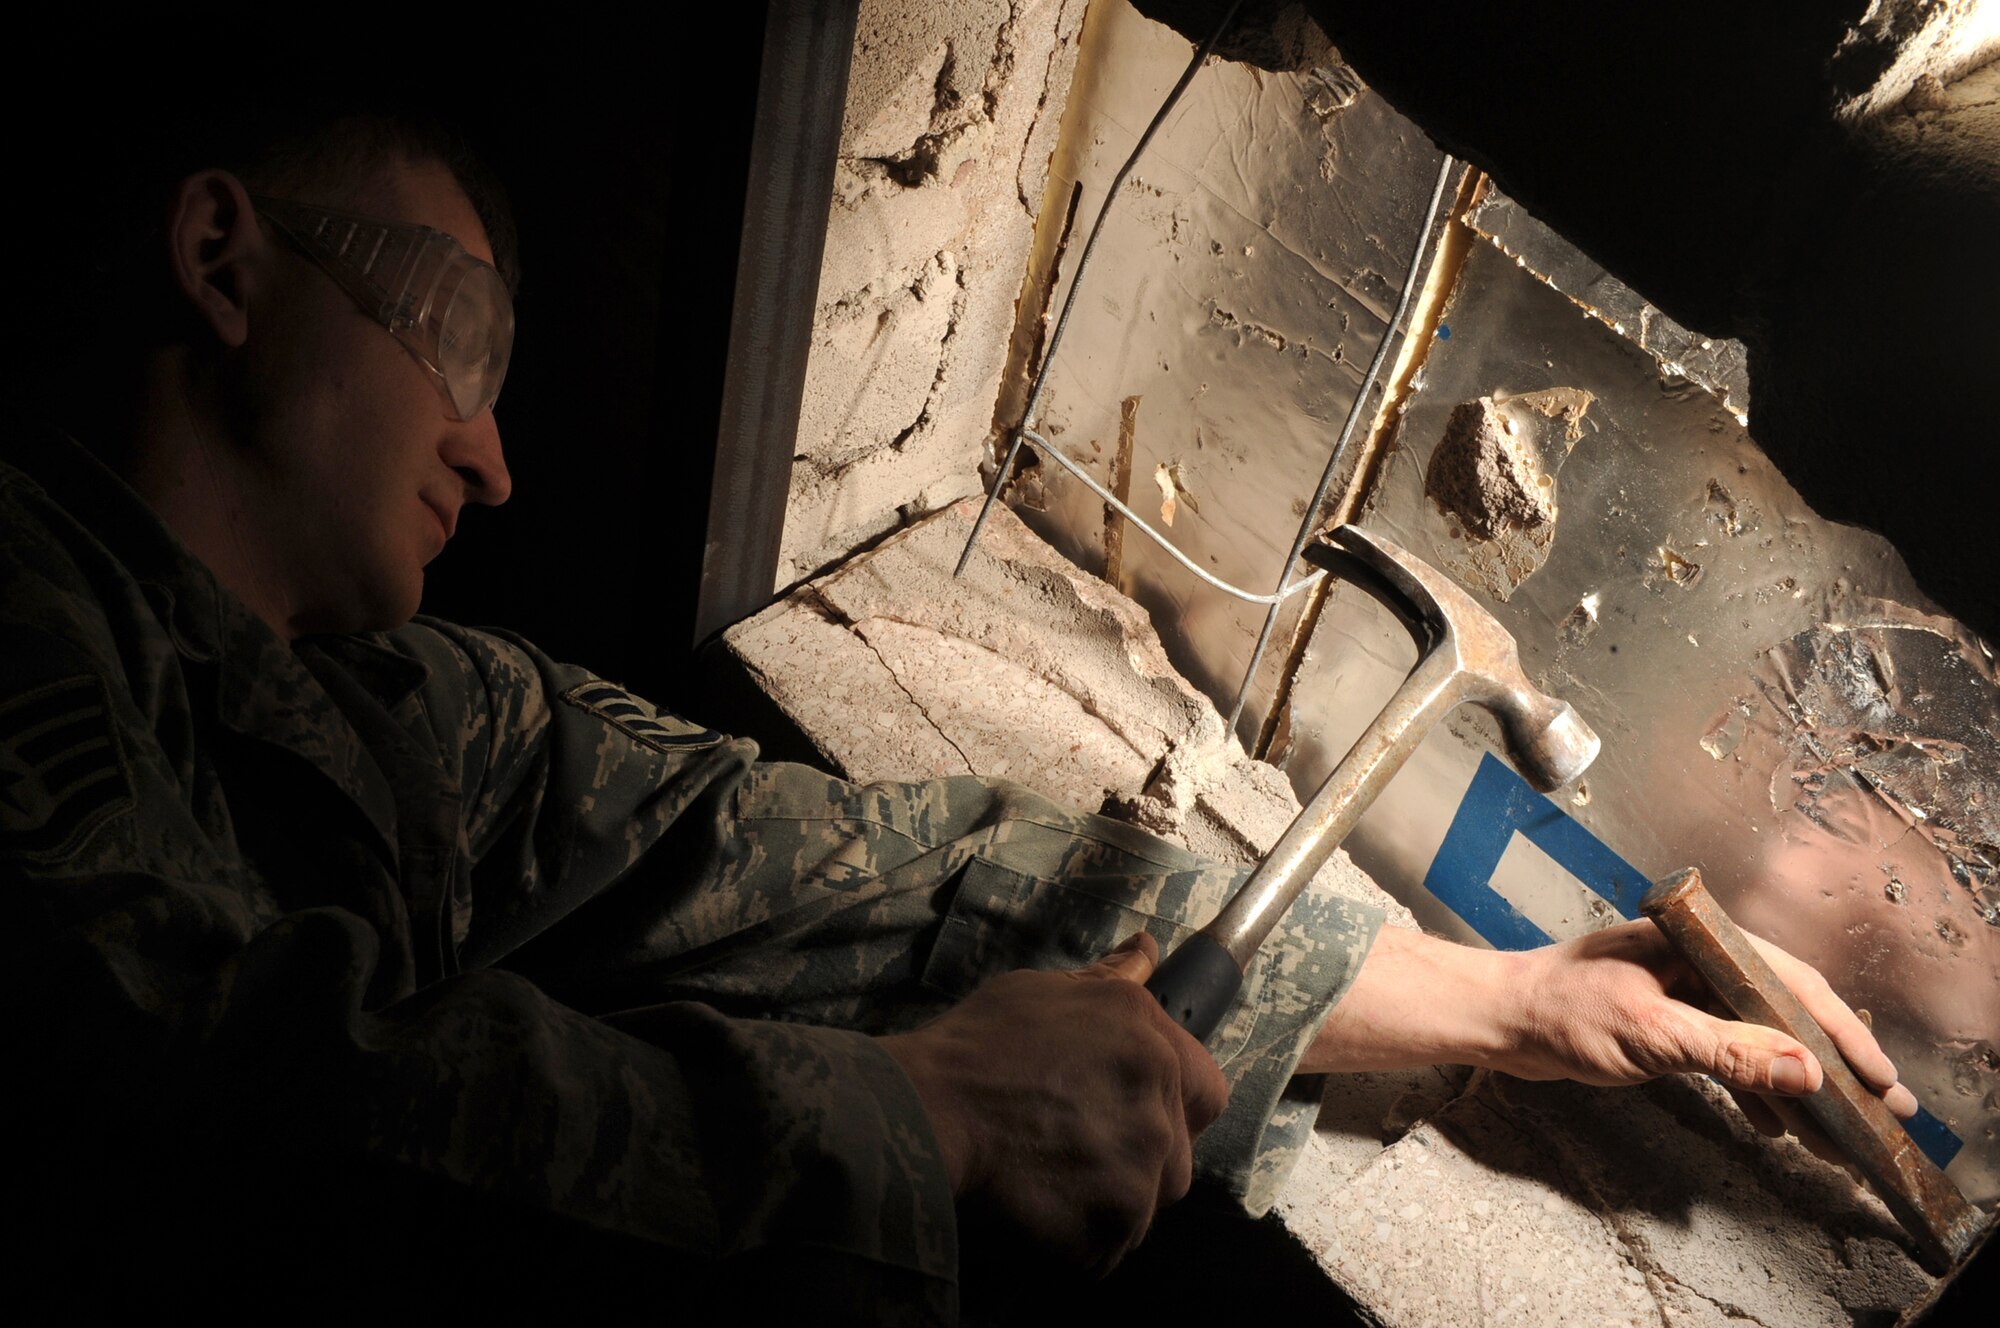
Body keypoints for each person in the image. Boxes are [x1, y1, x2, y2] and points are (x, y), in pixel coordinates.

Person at [0, 103, 1914, 1318]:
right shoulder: (29, 609)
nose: (495, 458)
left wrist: (1496, 1002)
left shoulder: (428, 717)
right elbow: (213, 1106)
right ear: (222, 257)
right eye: (464, 342)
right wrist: (907, 1121)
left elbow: (875, 877)